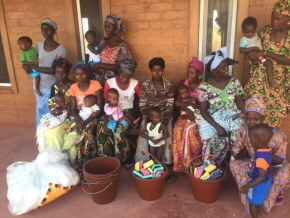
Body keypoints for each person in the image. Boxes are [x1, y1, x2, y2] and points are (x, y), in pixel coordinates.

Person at [230, 96, 290, 214]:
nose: (251, 123)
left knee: (285, 172)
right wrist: (236, 153)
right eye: (248, 119)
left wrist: (265, 154)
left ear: (264, 118)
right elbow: (237, 152)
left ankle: (274, 192)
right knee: (234, 164)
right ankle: (251, 200)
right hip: (255, 165)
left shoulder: (279, 136)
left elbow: (281, 162)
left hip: (271, 167)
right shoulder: (243, 130)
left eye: (256, 119)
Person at [244, 0, 290, 127]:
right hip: (258, 79)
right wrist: (253, 57)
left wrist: (266, 52)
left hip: (277, 81)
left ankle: (268, 145)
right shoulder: (266, 31)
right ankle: (252, 143)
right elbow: (254, 47)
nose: (274, 22)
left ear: (288, 20)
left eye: (279, 19)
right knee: (254, 113)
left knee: (272, 114)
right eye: (272, 18)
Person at [198, 47, 245, 166]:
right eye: (223, 67)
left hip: (234, 116)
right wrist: (218, 127)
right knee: (215, 140)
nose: (227, 69)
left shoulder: (234, 81)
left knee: (237, 136)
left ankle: (236, 166)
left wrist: (246, 114)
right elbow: (203, 111)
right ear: (215, 71)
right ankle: (211, 167)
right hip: (215, 118)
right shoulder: (205, 87)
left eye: (227, 66)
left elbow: (239, 102)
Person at [23, 18, 66, 127]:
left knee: (52, 112)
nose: (45, 32)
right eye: (43, 29)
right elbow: (34, 61)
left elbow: (54, 70)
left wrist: (34, 67)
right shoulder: (39, 44)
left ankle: (51, 140)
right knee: (41, 111)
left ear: (54, 30)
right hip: (38, 84)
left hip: (51, 86)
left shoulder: (60, 49)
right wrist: (26, 66)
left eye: (48, 29)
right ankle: (42, 139)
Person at [97, 59, 139, 161]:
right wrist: (106, 120)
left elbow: (141, 101)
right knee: (102, 129)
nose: (125, 79)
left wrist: (138, 116)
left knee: (118, 132)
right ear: (119, 71)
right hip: (110, 112)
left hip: (127, 111)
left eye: (128, 78)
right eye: (123, 76)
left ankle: (121, 159)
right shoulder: (109, 83)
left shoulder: (135, 83)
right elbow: (106, 104)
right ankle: (106, 160)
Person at [135, 57, 174, 165]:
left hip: (163, 115)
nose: (157, 72)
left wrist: (165, 119)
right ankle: (145, 161)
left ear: (163, 70)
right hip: (150, 115)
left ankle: (165, 162)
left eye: (159, 70)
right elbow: (142, 104)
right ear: (151, 71)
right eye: (154, 70)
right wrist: (147, 118)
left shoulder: (169, 85)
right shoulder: (145, 85)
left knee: (167, 133)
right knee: (144, 134)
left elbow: (170, 104)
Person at [68, 61, 103, 168]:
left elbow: (99, 108)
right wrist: (78, 119)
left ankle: (88, 161)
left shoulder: (95, 84)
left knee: (88, 132)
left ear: (88, 73)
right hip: (80, 117)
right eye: (77, 74)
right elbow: (73, 109)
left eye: (83, 73)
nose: (80, 76)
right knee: (72, 132)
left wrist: (85, 123)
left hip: (93, 117)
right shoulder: (73, 87)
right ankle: (76, 160)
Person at [173, 57, 204, 173]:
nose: (189, 75)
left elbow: (202, 106)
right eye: (188, 72)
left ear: (199, 73)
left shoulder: (204, 87)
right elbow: (177, 102)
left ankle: (193, 163)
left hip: (198, 117)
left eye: (192, 72)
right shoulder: (183, 83)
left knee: (189, 132)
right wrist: (187, 109)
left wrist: (191, 109)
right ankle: (180, 165)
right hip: (185, 115)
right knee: (177, 130)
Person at [240, 124, 273, 218]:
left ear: (259, 142)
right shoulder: (267, 149)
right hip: (267, 181)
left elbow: (261, 176)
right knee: (259, 198)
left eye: (251, 140)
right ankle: (261, 212)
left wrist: (248, 187)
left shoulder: (261, 158)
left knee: (252, 202)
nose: (249, 141)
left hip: (259, 183)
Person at [93, 14, 132, 85]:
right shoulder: (102, 41)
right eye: (105, 27)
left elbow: (121, 67)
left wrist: (100, 65)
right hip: (99, 78)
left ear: (116, 28)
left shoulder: (123, 46)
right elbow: (95, 57)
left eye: (108, 27)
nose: (106, 30)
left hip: (114, 81)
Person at [239, 17, 277, 89]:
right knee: (268, 63)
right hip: (254, 56)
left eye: (252, 32)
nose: (250, 34)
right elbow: (241, 50)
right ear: (243, 30)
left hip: (260, 54)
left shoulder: (256, 35)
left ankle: (268, 80)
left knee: (268, 63)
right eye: (247, 32)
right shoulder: (244, 40)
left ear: (255, 30)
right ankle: (271, 80)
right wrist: (252, 48)